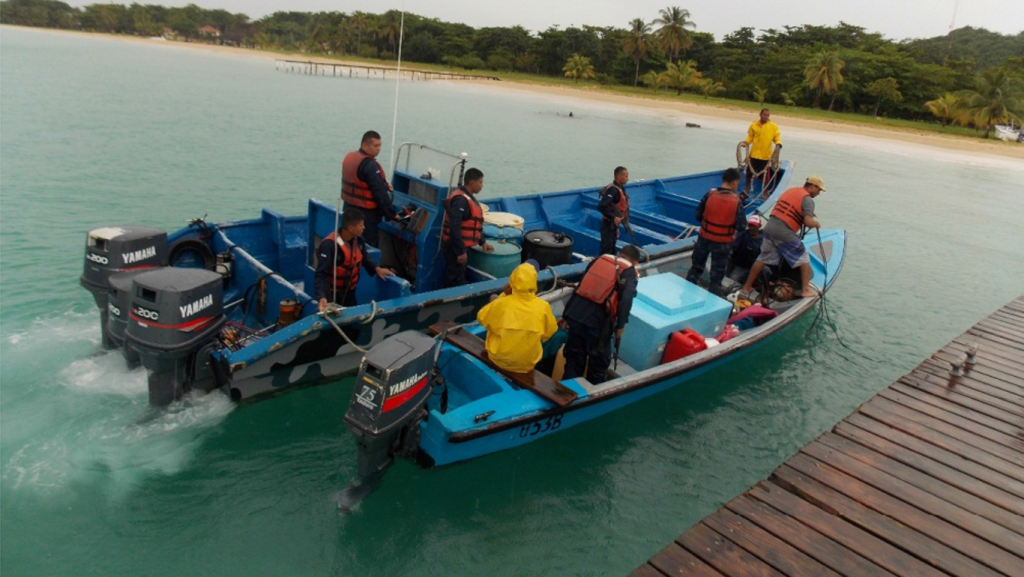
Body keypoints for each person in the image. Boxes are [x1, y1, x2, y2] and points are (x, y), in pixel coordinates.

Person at [561, 245, 641, 384]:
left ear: (619, 254)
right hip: (598, 324)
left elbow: (581, 286)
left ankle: (567, 390)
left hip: (576, 314)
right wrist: (620, 326)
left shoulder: (599, 260)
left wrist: (567, 314)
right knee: (598, 363)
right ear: (635, 263)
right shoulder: (629, 272)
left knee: (574, 358)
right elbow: (626, 299)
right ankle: (594, 393)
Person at [740, 176, 827, 298]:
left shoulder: (791, 191)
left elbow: (787, 209)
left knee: (763, 258)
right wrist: (816, 224)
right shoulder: (808, 200)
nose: (818, 193)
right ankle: (805, 290)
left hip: (770, 228)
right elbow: (808, 222)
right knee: (804, 258)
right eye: (819, 190)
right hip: (784, 232)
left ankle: (746, 288)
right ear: (813, 186)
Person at [476, 262, 558, 374]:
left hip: (499, 359)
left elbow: (482, 318)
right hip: (527, 364)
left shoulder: (502, 304)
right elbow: (550, 331)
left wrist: (504, 295)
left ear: (512, 279)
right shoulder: (543, 307)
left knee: (492, 301)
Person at [315, 208, 395, 310]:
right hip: (333, 294)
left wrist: (377, 269)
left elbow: (364, 257)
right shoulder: (329, 245)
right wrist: (322, 296)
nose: (364, 228)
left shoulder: (358, 240)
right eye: (361, 225)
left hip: (350, 293)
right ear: (351, 228)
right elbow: (321, 274)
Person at [685, 168, 746, 296]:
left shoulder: (710, 195)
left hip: (704, 239)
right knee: (716, 278)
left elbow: (698, 216)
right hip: (722, 244)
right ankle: (712, 302)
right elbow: (741, 226)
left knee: (695, 270)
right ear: (735, 182)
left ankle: (686, 295)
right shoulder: (737, 202)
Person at [341, 130, 397, 247]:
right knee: (368, 245)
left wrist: (384, 184)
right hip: (365, 215)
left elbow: (360, 181)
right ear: (365, 145)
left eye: (380, 145)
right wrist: (392, 214)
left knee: (349, 243)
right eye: (375, 145)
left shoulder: (350, 157)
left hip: (348, 209)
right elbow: (380, 194)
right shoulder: (370, 165)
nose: (379, 149)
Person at [442, 168, 493, 287]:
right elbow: (455, 227)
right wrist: (460, 252)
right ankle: (451, 301)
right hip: (455, 248)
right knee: (454, 278)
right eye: (480, 182)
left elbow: (469, 223)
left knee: (459, 274)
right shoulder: (461, 200)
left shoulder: (467, 197)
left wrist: (482, 241)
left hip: (462, 246)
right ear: (471, 182)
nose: (482, 185)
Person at [743, 108, 782, 196]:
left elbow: (777, 137)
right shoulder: (753, 125)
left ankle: (764, 191)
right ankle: (747, 189)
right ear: (760, 114)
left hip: (765, 156)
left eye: (768, 115)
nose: (766, 117)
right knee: (749, 173)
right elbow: (750, 137)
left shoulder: (773, 126)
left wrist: (778, 144)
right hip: (754, 154)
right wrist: (746, 143)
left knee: (765, 175)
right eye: (764, 115)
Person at [597, 166, 630, 256]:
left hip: (614, 225)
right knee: (606, 249)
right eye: (625, 176)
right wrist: (613, 218)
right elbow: (601, 206)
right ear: (618, 177)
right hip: (608, 225)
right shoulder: (613, 190)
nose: (628, 179)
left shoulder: (621, 188)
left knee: (612, 247)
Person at [728, 214, 764, 280]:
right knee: (733, 278)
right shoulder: (743, 235)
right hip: (741, 266)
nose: (752, 228)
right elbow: (732, 243)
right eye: (750, 225)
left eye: (754, 226)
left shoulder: (763, 239)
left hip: (755, 266)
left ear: (759, 226)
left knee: (767, 272)